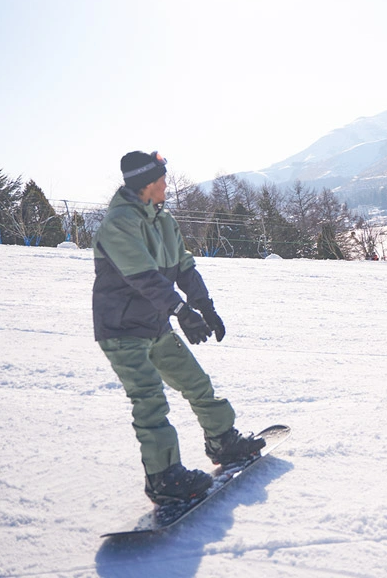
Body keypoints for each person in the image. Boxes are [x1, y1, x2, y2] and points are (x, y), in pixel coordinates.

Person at [92, 150, 266, 505]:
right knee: (150, 401)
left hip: (155, 326)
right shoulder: (119, 224)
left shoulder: (162, 218)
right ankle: (163, 477)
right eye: (161, 180)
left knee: (196, 382)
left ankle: (222, 440)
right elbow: (144, 278)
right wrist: (182, 312)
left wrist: (205, 307)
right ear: (145, 185)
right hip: (123, 331)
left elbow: (184, 266)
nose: (166, 185)